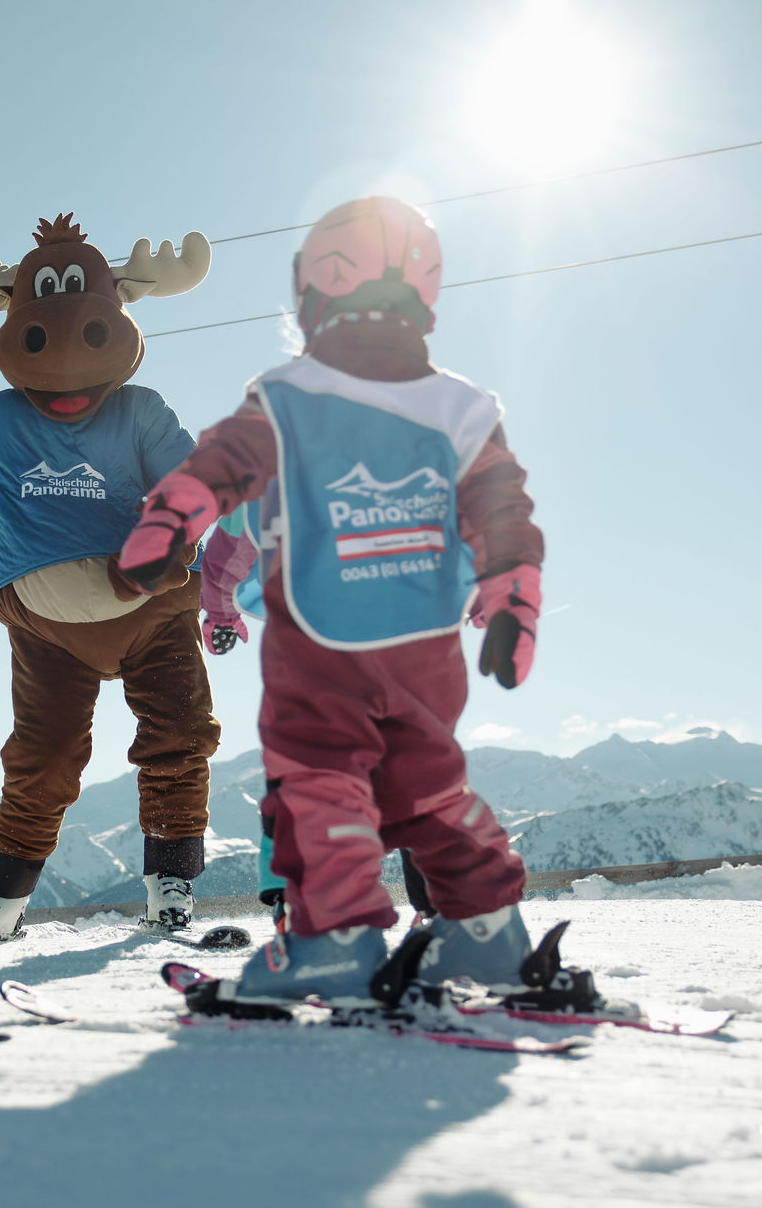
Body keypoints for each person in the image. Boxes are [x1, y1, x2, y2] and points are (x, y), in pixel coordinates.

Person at [118, 196, 549, 1008]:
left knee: (316, 779)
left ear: (309, 295)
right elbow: (501, 506)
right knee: (429, 784)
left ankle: (335, 937)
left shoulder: (287, 395)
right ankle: (489, 930)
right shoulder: (462, 406)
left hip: (321, 638)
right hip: (422, 641)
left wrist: (175, 513)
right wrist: (513, 590)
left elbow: (226, 462)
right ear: (426, 292)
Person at [0, 215, 221, 946]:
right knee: (47, 754)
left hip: (147, 607)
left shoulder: (141, 410)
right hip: (49, 625)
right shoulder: (1, 420)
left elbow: (197, 485)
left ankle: (171, 880)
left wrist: (168, 536)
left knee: (176, 734)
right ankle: (2, 899)